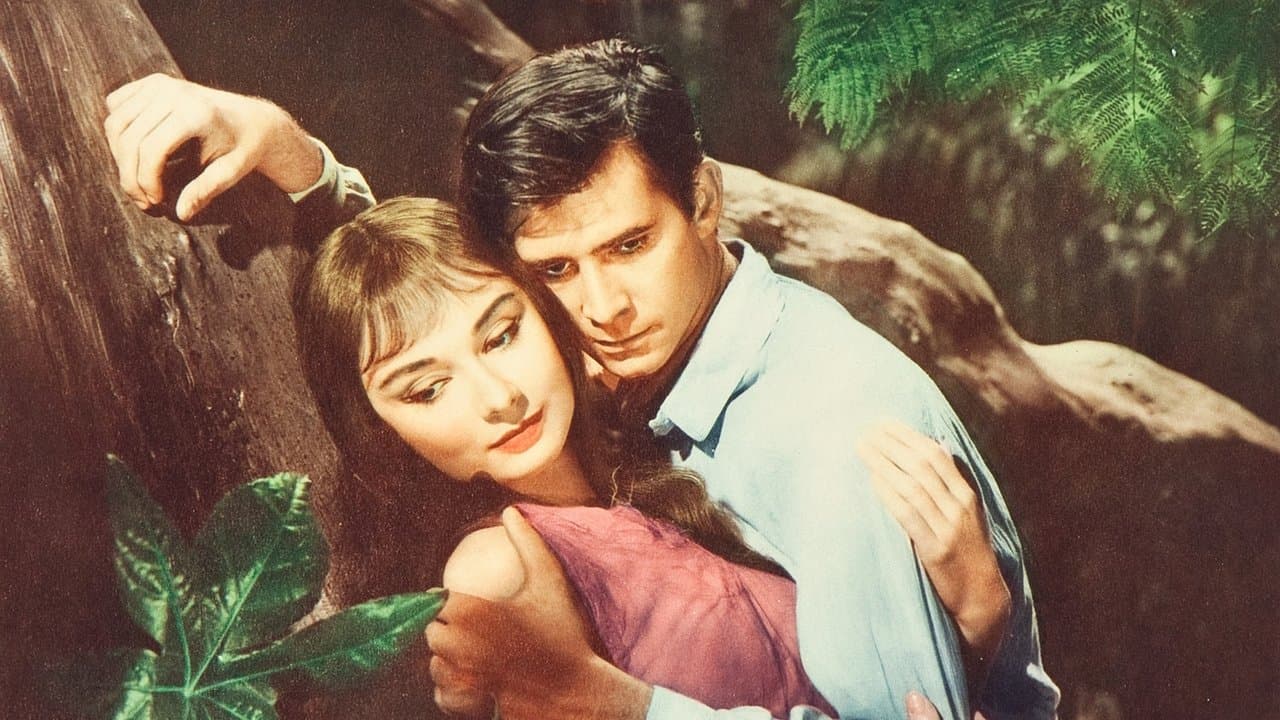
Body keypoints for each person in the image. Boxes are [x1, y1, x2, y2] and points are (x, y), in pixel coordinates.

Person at [102, 39, 1058, 719]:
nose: (601, 308)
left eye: (631, 245)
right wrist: (297, 162)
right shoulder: (603, 399)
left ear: (706, 201)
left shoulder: (833, 435)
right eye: (558, 271)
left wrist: (984, 626)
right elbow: (433, 313)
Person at [291, 196, 998, 719]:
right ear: (380, 435)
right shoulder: (496, 570)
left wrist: (978, 614)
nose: (498, 397)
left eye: (500, 336)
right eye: (427, 388)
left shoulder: (653, 463)